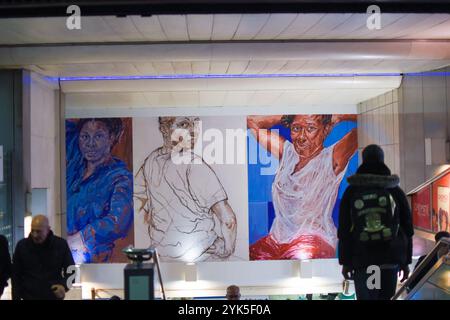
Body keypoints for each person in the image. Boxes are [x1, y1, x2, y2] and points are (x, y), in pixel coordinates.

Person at [247, 114, 357, 260]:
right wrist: (289, 116)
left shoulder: (332, 158)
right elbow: (252, 122)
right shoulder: (287, 153)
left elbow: (366, 122)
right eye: (296, 128)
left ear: (325, 130)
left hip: (313, 240)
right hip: (276, 241)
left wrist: (339, 116)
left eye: (311, 128)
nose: (301, 137)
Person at [135, 116, 237, 262]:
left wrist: (161, 232)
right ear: (164, 129)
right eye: (184, 124)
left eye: (195, 124)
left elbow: (137, 204)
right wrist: (228, 248)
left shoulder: (151, 161)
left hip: (162, 255)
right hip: (203, 253)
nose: (193, 131)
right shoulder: (193, 165)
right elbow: (228, 219)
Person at [338, 144, 414, 300]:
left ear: (363, 160)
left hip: (362, 260)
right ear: (382, 159)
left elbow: (344, 230)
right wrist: (405, 262)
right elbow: (407, 228)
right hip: (390, 259)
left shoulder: (352, 191)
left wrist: (345, 262)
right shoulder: (394, 190)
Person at [66, 118, 133, 263]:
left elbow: (118, 222)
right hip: (64, 258)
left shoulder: (120, 178)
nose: (90, 144)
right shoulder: (75, 165)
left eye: (98, 136)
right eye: (85, 137)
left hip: (97, 261)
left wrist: (81, 238)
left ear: (111, 138)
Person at [12, 215, 75, 300]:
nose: (34, 235)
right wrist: (16, 298)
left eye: (38, 231)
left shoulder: (60, 245)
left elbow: (72, 271)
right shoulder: (22, 246)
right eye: (32, 231)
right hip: (28, 297)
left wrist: (64, 286)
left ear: (48, 230)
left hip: (52, 297)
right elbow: (15, 275)